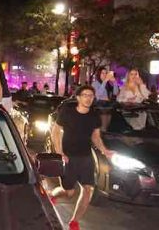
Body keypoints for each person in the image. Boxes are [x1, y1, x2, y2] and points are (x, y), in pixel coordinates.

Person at [50, 86, 113, 230]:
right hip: (69, 157)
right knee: (69, 192)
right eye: (85, 95)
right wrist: (60, 152)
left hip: (86, 156)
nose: (88, 98)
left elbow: (95, 136)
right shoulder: (67, 112)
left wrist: (104, 150)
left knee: (88, 190)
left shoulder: (94, 116)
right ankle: (52, 195)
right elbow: (56, 131)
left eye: (91, 95)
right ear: (78, 97)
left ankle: (74, 222)